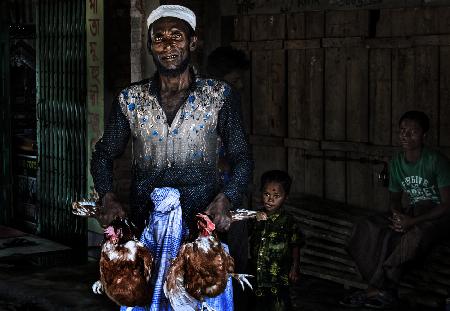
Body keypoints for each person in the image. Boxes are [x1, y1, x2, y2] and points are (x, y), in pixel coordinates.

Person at [90, 4, 253, 310]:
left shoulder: (218, 96)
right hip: (146, 228)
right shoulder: (130, 99)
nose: (167, 46)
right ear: (150, 45)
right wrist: (107, 196)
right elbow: (103, 155)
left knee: (201, 300)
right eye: (159, 38)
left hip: (200, 229)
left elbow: (242, 156)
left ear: (193, 41)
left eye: (176, 36)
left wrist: (226, 198)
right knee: (144, 300)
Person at [341, 111, 450, 308]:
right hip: (414, 211)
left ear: (424, 135)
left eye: (412, 132)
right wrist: (398, 216)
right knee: (369, 226)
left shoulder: (436, 161)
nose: (405, 136)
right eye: (402, 131)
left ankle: (378, 287)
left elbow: (447, 205)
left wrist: (412, 222)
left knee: (415, 235)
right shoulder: (397, 162)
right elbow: (394, 197)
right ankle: (382, 290)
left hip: (439, 216)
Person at [206, 46, 251, 311]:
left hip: (232, 187)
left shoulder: (231, 104)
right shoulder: (202, 106)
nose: (241, 85)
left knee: (235, 252)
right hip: (213, 191)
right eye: (235, 80)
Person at [249, 170, 303, 311]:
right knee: (258, 304)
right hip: (258, 273)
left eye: (276, 196)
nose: (270, 199)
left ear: (285, 197)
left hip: (279, 276)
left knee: (279, 304)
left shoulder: (288, 221)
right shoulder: (255, 217)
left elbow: (295, 244)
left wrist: (295, 266)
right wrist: (253, 217)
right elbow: (244, 235)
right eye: (267, 194)